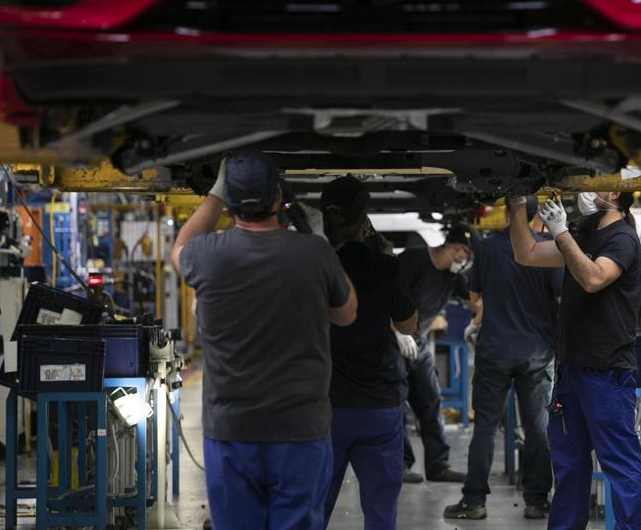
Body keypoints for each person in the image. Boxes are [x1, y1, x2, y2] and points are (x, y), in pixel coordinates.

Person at [171, 151, 357, 529]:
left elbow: (178, 248)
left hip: (232, 431)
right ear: (278, 198)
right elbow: (347, 313)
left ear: (231, 203)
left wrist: (215, 195)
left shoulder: (207, 255)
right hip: (300, 430)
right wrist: (319, 247)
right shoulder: (315, 253)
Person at [509, 191, 641, 530]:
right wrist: (515, 205)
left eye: (593, 184)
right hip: (571, 371)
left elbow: (594, 278)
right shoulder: (585, 234)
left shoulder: (623, 239)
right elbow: (526, 254)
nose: (585, 192)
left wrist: (561, 232)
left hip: (607, 372)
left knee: (620, 464)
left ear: (614, 192)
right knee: (568, 464)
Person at [444, 200, 562, 521]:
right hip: (537, 353)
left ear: (509, 213)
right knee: (537, 428)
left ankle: (474, 501)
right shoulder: (550, 250)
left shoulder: (487, 247)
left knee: (485, 427)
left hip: (495, 350)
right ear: (537, 214)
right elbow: (560, 298)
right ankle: (537, 501)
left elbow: (475, 296)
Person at [320, 176, 418, 529]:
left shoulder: (319, 266)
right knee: (380, 513)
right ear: (365, 219)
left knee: (314, 508)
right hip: (379, 406)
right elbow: (408, 326)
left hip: (327, 409)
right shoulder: (386, 266)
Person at [396, 224, 475, 483]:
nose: (465, 263)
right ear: (455, 249)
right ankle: (400, 465)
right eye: (466, 256)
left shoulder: (452, 276)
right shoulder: (413, 259)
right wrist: (398, 332)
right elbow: (388, 296)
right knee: (396, 403)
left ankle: (438, 465)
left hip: (417, 343)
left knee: (430, 401)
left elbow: (473, 298)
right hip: (393, 341)